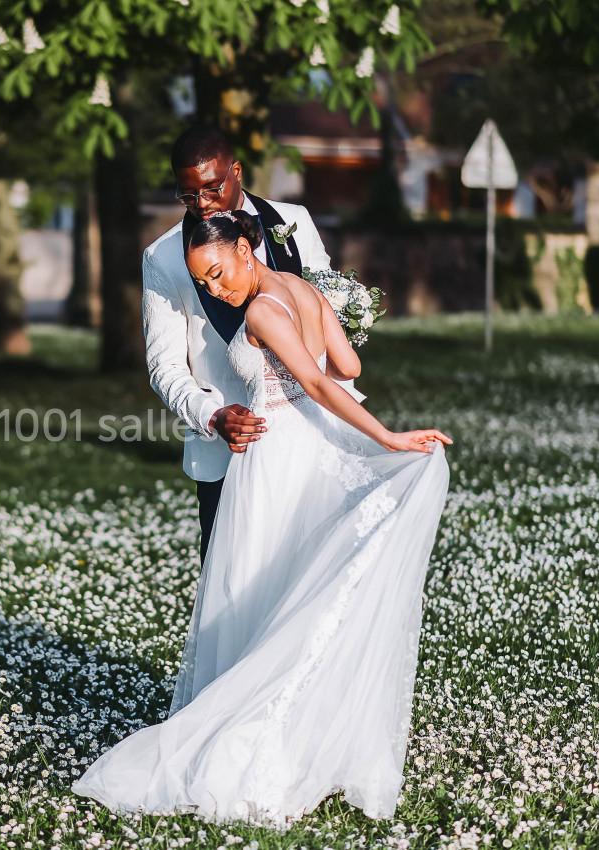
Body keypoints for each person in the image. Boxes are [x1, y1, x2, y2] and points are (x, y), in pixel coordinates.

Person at [72, 210, 452, 826]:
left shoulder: (259, 312)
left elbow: (319, 382)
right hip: (316, 449)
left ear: (248, 249)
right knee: (293, 590)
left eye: (219, 273)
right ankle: (301, 731)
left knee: (259, 593)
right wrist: (332, 318)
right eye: (204, 282)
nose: (216, 289)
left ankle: (250, 735)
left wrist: (390, 438)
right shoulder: (304, 289)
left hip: (276, 459)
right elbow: (348, 368)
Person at [140, 125, 357, 566]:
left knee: (316, 576)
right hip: (231, 449)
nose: (201, 204)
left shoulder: (294, 222)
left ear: (236, 171)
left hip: (316, 438)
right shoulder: (162, 258)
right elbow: (163, 367)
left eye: (212, 188)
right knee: (233, 586)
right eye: (187, 195)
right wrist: (212, 416)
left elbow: (327, 305)